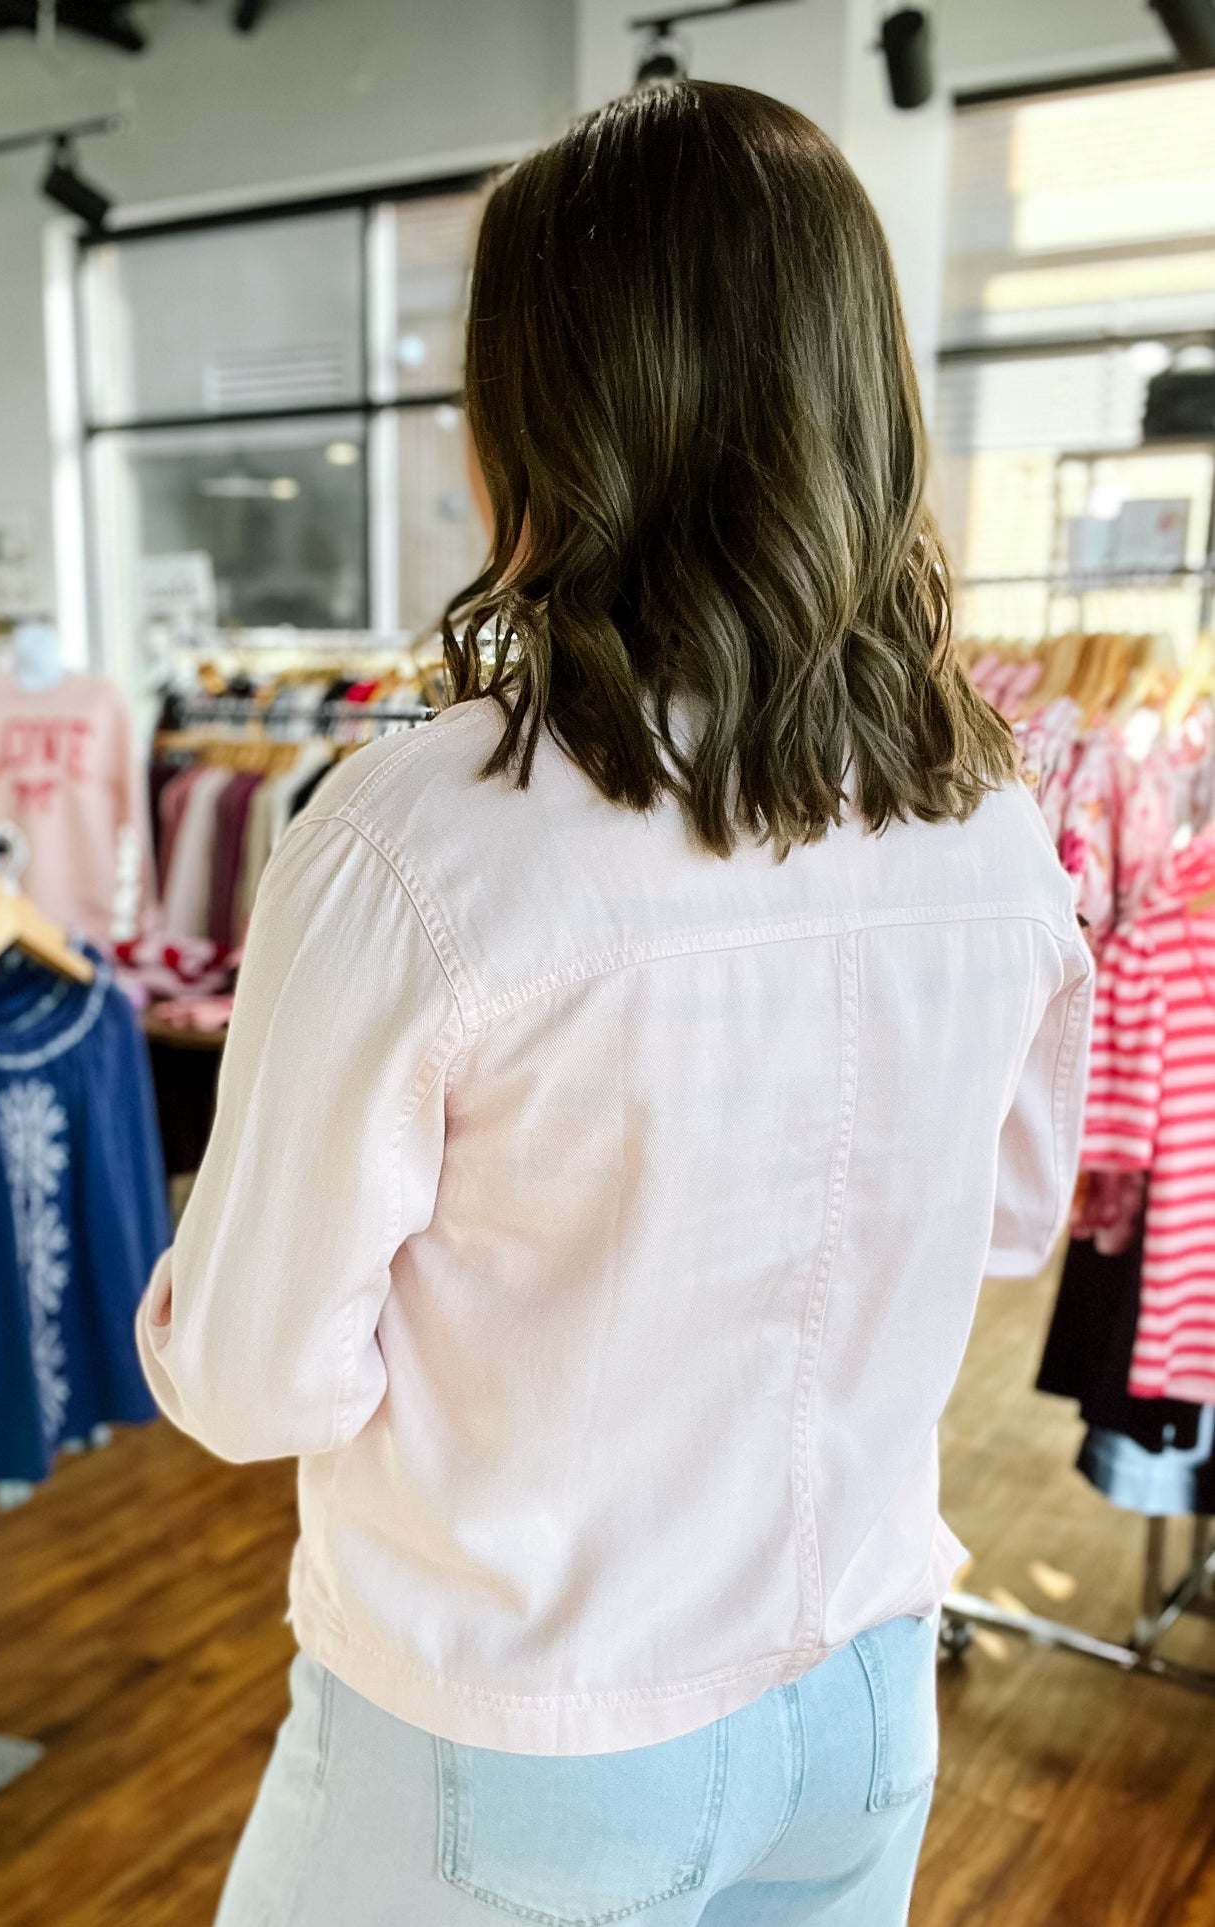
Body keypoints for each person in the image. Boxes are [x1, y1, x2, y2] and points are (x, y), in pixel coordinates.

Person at [137, 81, 1091, 1925]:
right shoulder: (989, 817)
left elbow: (254, 1385)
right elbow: (1007, 1216)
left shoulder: (424, 831)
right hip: (860, 1691)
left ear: (536, 412)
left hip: (519, 1734)